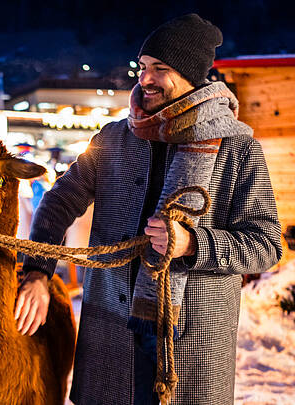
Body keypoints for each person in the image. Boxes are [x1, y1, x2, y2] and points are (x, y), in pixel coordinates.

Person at [15, 14, 282, 405]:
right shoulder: (113, 139)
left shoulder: (239, 150)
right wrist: (38, 270)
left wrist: (194, 243)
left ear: (192, 75)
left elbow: (266, 245)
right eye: (142, 67)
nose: (145, 79)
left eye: (161, 69)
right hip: (111, 332)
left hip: (189, 346)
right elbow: (59, 201)